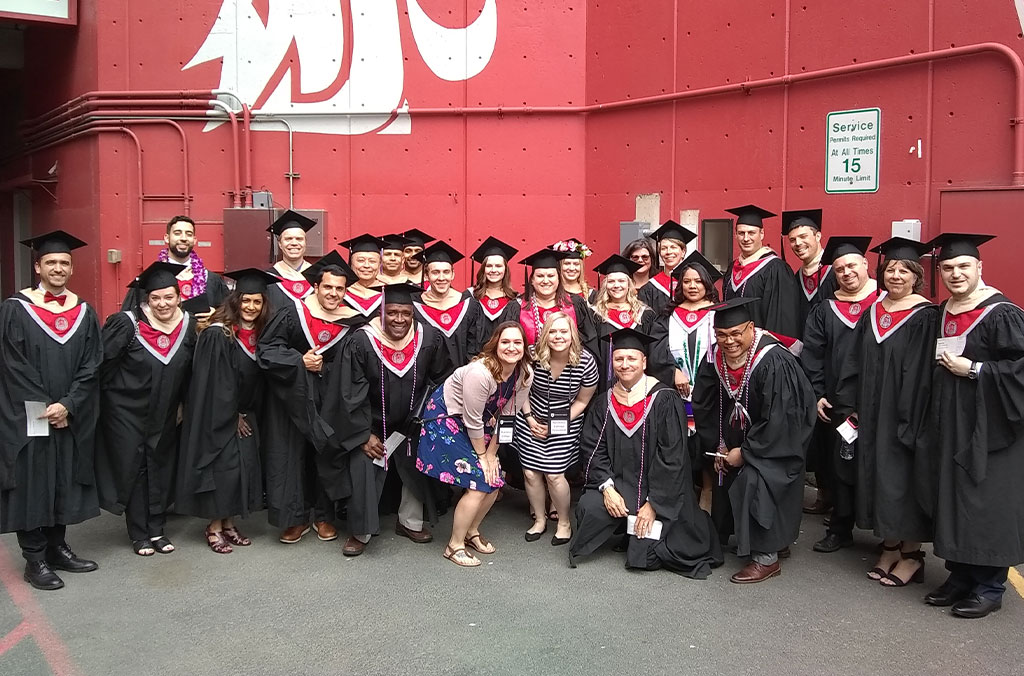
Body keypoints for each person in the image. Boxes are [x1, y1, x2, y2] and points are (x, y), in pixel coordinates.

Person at [922, 233, 1024, 618]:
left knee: (987, 501)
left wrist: (977, 369)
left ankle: (990, 586)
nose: (955, 273)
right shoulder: (944, 311)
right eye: (947, 267)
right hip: (952, 422)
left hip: (992, 426)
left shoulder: (1001, 313)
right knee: (956, 499)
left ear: (980, 267)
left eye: (963, 266)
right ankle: (961, 575)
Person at [568, 328, 723, 578]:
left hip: (660, 492)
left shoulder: (664, 399)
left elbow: (672, 457)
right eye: (619, 359)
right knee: (589, 508)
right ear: (613, 362)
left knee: (645, 556)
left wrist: (654, 504)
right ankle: (622, 524)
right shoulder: (604, 402)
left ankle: (654, 526)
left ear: (644, 361)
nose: (625, 364)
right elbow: (592, 449)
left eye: (631, 358)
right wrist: (607, 489)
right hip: (620, 486)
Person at [0, 230, 101, 591]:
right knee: (33, 482)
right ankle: (34, 559)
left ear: (71, 268)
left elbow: (92, 364)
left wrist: (69, 404)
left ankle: (58, 547)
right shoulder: (15, 309)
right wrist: (47, 406)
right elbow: (12, 365)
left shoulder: (84, 311)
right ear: (38, 266)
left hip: (68, 412)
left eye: (64, 263)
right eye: (51, 262)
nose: (58, 268)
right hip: (30, 413)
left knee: (63, 478)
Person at [834, 237, 937, 587]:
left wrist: (910, 417)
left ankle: (912, 555)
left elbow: (923, 375)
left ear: (916, 277)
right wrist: (852, 405)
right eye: (890, 269)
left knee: (904, 483)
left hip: (906, 415)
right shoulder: (874, 313)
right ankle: (890, 547)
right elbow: (854, 362)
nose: (895, 275)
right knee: (878, 479)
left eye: (904, 270)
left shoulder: (925, 316)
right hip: (872, 413)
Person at [692, 298, 815, 584]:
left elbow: (782, 418)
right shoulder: (714, 357)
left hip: (776, 444)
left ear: (751, 328)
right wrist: (719, 445)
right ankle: (755, 539)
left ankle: (766, 557)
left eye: (736, 333)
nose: (729, 341)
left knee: (754, 479)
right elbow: (705, 404)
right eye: (722, 335)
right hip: (737, 441)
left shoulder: (774, 359)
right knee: (725, 472)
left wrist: (746, 452)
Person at [328, 283, 453, 556]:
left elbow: (443, 378)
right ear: (381, 311)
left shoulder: (428, 337)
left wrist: (426, 414)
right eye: (392, 312)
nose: (399, 319)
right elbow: (348, 392)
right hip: (371, 424)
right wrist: (362, 434)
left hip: (411, 422)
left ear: (413, 313)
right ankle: (360, 531)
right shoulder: (362, 340)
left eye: (405, 313)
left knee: (416, 460)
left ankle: (409, 522)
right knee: (362, 464)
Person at [257, 254, 364, 544]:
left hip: (331, 399)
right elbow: (267, 349)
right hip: (293, 398)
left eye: (339, 289)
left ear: (345, 291)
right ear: (316, 286)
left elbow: (358, 364)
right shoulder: (294, 313)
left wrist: (326, 369)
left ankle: (323, 515)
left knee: (327, 455)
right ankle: (295, 517)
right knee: (291, 456)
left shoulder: (352, 321)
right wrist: (298, 361)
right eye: (328, 287)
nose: (333, 293)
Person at [96, 262, 198, 556]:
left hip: (165, 411)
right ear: (146, 300)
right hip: (126, 413)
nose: (163, 304)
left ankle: (158, 528)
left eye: (169, 297)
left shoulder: (187, 325)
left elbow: (189, 372)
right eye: (156, 298)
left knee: (161, 465)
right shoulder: (127, 324)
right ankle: (139, 533)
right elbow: (103, 367)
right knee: (136, 468)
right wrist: (105, 408)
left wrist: (182, 404)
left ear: (179, 296)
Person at [176, 268, 279, 554]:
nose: (251, 307)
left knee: (242, 469)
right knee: (223, 470)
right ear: (235, 301)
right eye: (246, 301)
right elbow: (212, 383)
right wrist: (231, 415)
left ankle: (229, 522)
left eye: (257, 302)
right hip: (218, 416)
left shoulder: (258, 336)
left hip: (246, 414)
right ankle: (214, 526)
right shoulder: (218, 333)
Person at [418, 322, 534, 567]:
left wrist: (492, 455)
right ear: (495, 344)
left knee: (495, 478)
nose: (511, 347)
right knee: (480, 482)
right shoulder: (480, 373)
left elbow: (509, 416)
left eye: (517, 342)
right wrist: (483, 456)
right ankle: (454, 546)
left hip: (478, 423)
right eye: (505, 342)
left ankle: (471, 532)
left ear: (525, 347)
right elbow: (471, 419)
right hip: (446, 418)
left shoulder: (525, 374)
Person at [799, 237, 875, 554]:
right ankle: (840, 527)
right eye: (840, 268)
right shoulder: (825, 310)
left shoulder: (885, 304)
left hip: (878, 402)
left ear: (866, 265)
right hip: (837, 402)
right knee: (840, 466)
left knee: (878, 464)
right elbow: (812, 355)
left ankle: (889, 537)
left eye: (852, 266)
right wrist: (817, 393)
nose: (846, 273)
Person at [648, 251, 722, 513]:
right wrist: (673, 372)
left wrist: (706, 379)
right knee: (677, 440)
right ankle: (681, 490)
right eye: (687, 281)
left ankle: (708, 490)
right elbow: (655, 349)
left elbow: (724, 348)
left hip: (709, 390)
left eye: (698, 281)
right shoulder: (668, 314)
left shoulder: (718, 314)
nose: (692, 286)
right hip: (675, 390)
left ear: (707, 284)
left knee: (707, 439)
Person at [515, 313, 599, 545]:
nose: (558, 336)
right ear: (545, 334)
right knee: (531, 473)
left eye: (563, 331)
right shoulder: (532, 356)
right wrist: (530, 418)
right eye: (552, 331)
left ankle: (563, 522)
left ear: (572, 333)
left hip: (565, 420)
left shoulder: (585, 361)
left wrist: (554, 426)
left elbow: (582, 401)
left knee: (553, 474)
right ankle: (540, 519)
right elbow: (521, 389)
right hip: (531, 415)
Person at [783, 209, 838, 517]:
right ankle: (825, 493)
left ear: (818, 237)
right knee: (814, 432)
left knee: (832, 429)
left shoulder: (833, 273)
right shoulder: (796, 277)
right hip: (806, 361)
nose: (798, 243)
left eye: (804, 237)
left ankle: (840, 500)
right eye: (793, 240)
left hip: (832, 362)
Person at [121, 215, 228, 318]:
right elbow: (130, 316)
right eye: (177, 233)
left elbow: (229, 313)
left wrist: (216, 315)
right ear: (167, 238)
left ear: (194, 240)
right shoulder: (149, 279)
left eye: (189, 234)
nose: (184, 238)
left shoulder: (211, 279)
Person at [722, 205, 801, 342]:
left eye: (751, 233)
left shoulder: (775, 269)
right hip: (732, 347)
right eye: (741, 233)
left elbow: (780, 320)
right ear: (735, 235)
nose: (746, 238)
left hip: (762, 350)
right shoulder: (732, 268)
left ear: (762, 234)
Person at [499, 248, 597, 349]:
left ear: (559, 278)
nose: (546, 281)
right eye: (540, 276)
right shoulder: (516, 307)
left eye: (551, 276)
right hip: (528, 363)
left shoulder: (575, 304)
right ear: (532, 280)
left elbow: (589, 343)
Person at [588, 254, 656, 391]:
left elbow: (652, 351)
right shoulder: (595, 314)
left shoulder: (643, 314)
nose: (616, 285)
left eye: (621, 281)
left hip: (639, 382)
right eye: (611, 281)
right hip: (604, 382)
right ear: (605, 285)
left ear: (629, 284)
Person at [411, 241, 483, 366]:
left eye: (446, 272)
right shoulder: (415, 307)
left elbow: (474, 347)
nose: (441, 278)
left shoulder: (469, 305)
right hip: (427, 381)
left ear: (453, 274)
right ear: (426, 276)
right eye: (435, 272)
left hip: (462, 378)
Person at [638, 220, 696, 315]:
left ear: (683, 251)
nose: (668, 252)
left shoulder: (697, 284)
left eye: (673, 247)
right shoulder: (650, 288)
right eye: (664, 248)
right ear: (660, 253)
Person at [264, 210, 317, 311]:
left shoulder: (317, 276)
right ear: (280, 244)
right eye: (288, 239)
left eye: (299, 239)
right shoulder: (269, 278)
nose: (294, 243)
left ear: (305, 243)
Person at [470, 236, 520, 343]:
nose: (493, 270)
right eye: (489, 266)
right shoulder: (471, 297)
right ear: (483, 269)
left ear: (505, 269)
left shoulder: (515, 300)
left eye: (498, 266)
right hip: (474, 357)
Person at [339, 233, 386, 317]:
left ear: (379, 265)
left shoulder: (387, 291)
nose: (366, 266)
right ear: (351, 264)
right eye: (360, 260)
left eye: (372, 261)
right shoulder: (341, 291)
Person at [552, 238, 594, 302]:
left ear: (581, 267)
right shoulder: (552, 293)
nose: (572, 268)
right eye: (567, 263)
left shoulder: (592, 295)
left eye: (576, 264)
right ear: (560, 266)